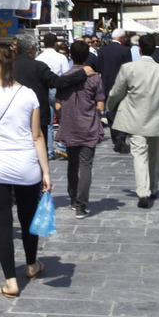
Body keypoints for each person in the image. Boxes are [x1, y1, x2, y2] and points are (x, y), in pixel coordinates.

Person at [0, 43, 52, 298]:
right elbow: (38, 135)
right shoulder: (29, 94)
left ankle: (11, 281)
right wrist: (46, 172)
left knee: (3, 223)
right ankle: (31, 265)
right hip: (26, 166)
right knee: (28, 218)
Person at [108, 34, 159, 209]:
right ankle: (154, 187)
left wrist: (110, 106)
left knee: (139, 156)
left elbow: (116, 91)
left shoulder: (128, 68)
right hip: (155, 119)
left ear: (139, 50)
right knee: (155, 155)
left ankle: (143, 192)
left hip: (134, 119)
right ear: (154, 50)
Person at [55, 40, 105, 218]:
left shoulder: (65, 77)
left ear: (70, 55)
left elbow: (58, 106)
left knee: (72, 164)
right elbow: (100, 106)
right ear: (87, 57)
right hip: (88, 126)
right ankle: (81, 206)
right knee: (86, 167)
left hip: (69, 126)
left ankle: (73, 199)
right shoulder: (94, 78)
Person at [97, 29, 133, 152]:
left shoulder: (102, 50)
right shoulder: (125, 50)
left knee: (110, 112)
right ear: (121, 38)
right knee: (123, 112)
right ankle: (122, 136)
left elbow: (99, 69)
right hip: (121, 86)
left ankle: (115, 138)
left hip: (106, 85)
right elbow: (129, 70)